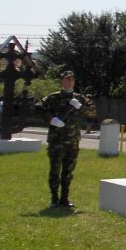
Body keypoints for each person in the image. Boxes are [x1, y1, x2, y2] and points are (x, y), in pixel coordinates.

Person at [35, 70, 94, 209]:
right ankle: (54, 198)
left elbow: (92, 113)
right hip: (57, 140)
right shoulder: (53, 97)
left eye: (72, 79)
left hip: (72, 140)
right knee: (55, 170)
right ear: (61, 81)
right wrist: (51, 120)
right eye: (67, 79)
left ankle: (64, 198)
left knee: (68, 171)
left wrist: (81, 107)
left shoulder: (79, 98)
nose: (69, 82)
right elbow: (38, 107)